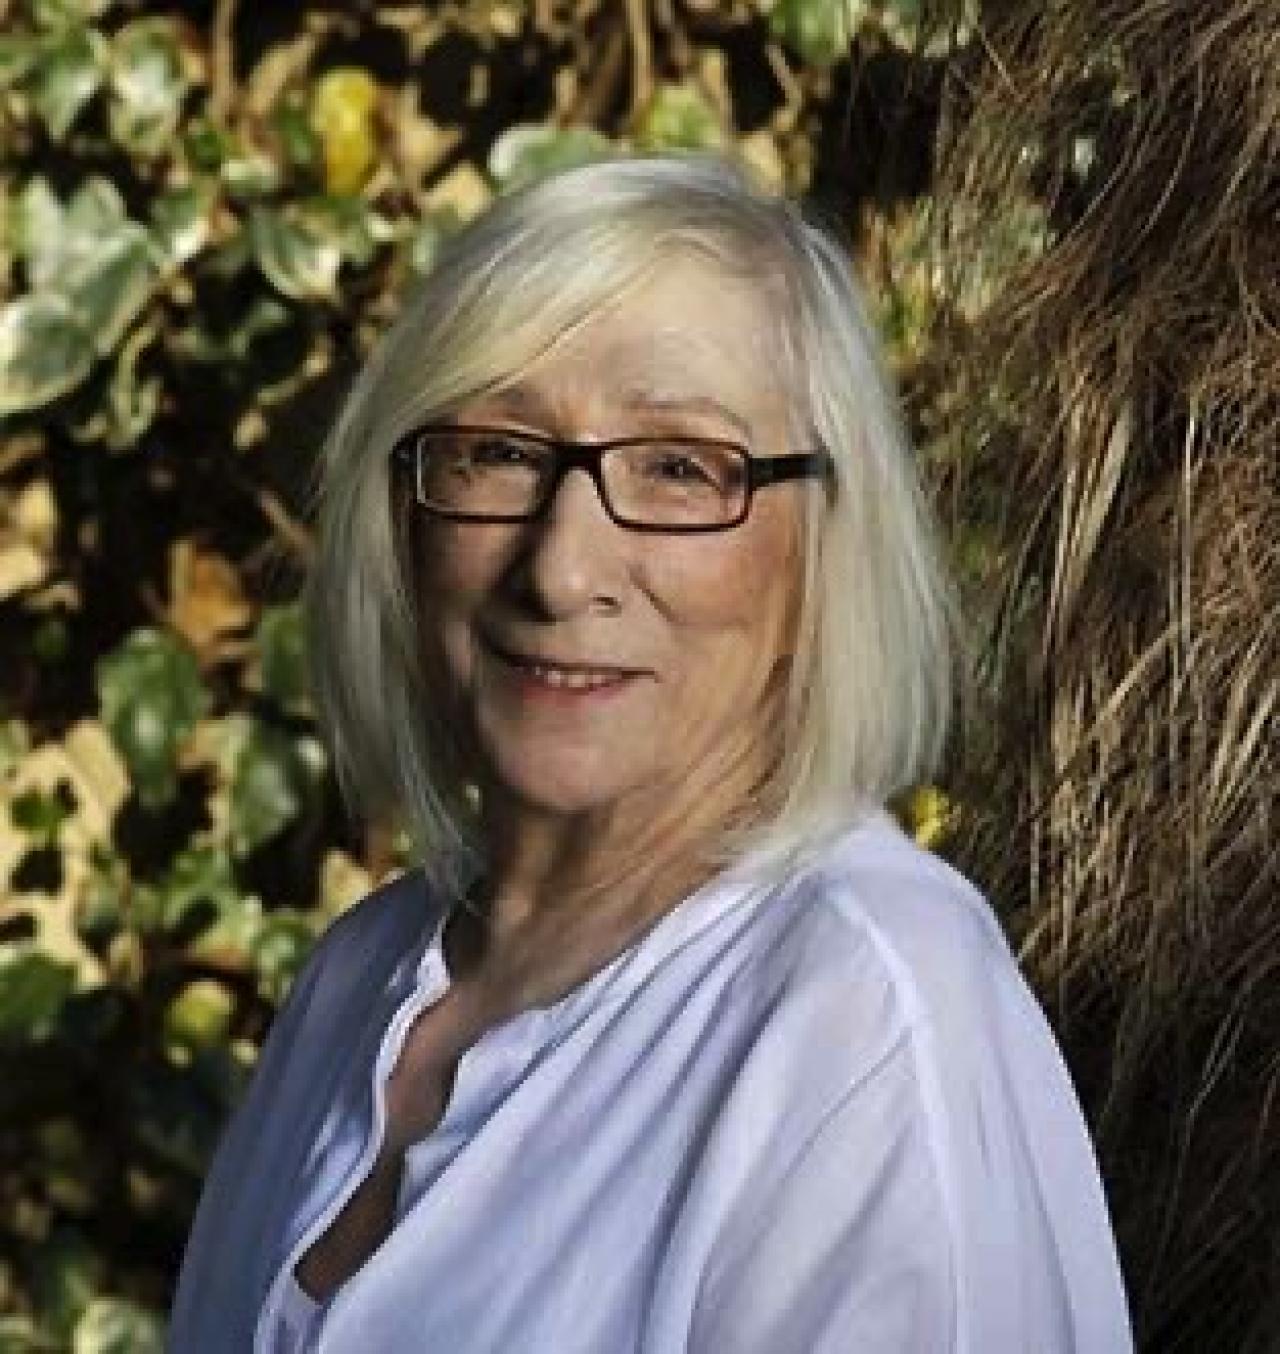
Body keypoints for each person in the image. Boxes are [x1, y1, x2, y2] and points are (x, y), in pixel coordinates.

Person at [167, 153, 1133, 1353]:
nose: (561, 569)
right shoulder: (354, 980)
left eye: (679, 467)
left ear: (821, 552)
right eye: (498, 451)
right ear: (402, 511)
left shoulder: (859, 1011)